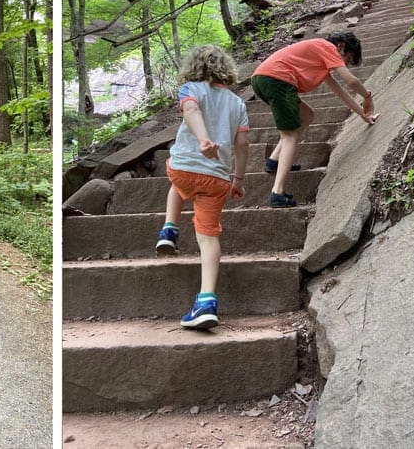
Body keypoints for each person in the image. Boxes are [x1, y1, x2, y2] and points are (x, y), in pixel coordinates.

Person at [154, 45, 249, 330]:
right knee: (208, 237)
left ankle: (169, 228)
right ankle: (206, 301)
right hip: (218, 178)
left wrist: (202, 139)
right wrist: (239, 179)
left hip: (183, 167)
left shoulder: (190, 89)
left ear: (194, 66)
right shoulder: (238, 103)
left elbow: (191, 109)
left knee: (178, 183)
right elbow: (242, 145)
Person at [251, 32, 377, 208]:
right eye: (347, 59)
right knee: (289, 135)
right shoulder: (327, 47)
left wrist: (363, 115)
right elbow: (351, 81)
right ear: (340, 46)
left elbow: (340, 91)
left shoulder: (319, 55)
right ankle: (277, 193)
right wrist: (368, 96)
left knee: (307, 115)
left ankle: (274, 161)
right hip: (277, 79)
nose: (345, 64)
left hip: (263, 79)